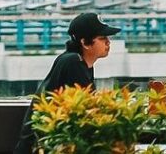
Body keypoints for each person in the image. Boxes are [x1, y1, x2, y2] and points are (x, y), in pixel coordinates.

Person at [14, 12, 120, 154]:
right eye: (102, 38)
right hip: (41, 148)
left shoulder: (79, 62)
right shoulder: (73, 63)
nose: (108, 42)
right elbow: (87, 114)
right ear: (85, 43)